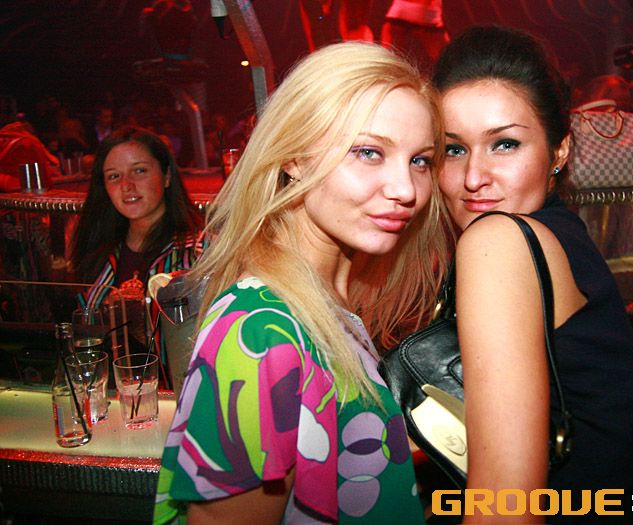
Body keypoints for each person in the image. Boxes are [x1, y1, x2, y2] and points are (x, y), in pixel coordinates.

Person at [154, 41, 447, 524]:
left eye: (420, 160)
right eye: (369, 152)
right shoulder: (262, 333)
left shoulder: (324, 301)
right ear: (293, 157)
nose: (406, 190)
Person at [432, 26, 633, 523]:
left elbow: (505, 510)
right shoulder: (560, 235)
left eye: (504, 144)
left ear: (559, 151)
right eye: (454, 149)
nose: (473, 177)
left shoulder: (499, 241)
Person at [71, 126, 203, 385]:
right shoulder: (98, 253)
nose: (126, 185)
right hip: (113, 394)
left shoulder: (198, 250)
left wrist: (142, 321)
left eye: (139, 170)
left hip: (180, 395)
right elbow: (83, 339)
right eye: (113, 176)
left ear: (166, 176)